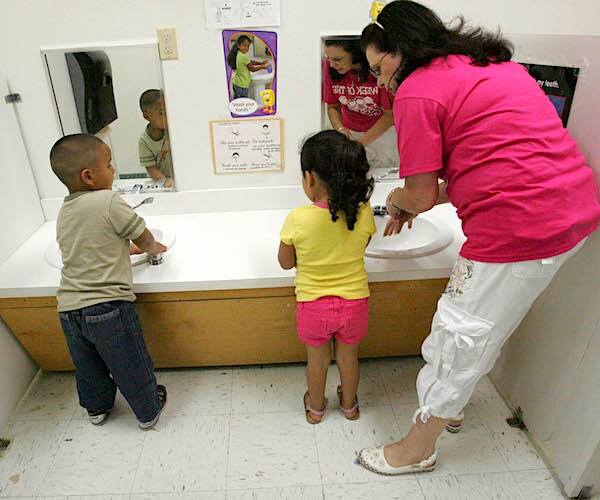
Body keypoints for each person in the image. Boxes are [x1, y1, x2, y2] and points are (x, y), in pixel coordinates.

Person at [357, 0, 600, 475]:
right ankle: (452, 407)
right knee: (479, 328)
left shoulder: (417, 93)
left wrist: (404, 200)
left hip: (520, 227)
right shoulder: (490, 65)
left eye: (380, 67)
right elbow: (489, 163)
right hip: (570, 210)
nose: (382, 82)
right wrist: (418, 197)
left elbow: (422, 194)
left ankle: (416, 449)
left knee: (457, 336)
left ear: (403, 46)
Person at [50, 134, 169, 430]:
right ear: (89, 176)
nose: (114, 170)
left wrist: (126, 250)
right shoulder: (108, 199)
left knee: (89, 368)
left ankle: (97, 409)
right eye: (109, 164)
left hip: (69, 310)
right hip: (108, 309)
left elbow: (92, 245)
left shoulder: (65, 210)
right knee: (131, 365)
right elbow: (141, 233)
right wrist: (153, 249)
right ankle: (147, 412)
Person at [278, 130, 376, 424]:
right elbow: (362, 247)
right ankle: (349, 406)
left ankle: (316, 408)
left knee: (317, 360)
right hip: (355, 302)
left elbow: (285, 263)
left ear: (310, 178)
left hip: (313, 305)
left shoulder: (298, 218)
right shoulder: (364, 212)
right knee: (349, 358)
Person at [322, 38, 397, 171]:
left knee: (384, 173)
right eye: (329, 58)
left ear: (354, 53)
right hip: (351, 132)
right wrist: (341, 130)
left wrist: (361, 143)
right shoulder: (330, 68)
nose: (333, 64)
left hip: (383, 132)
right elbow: (333, 106)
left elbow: (390, 115)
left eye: (337, 59)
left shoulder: (376, 70)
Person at [138, 89, 174, 188]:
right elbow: (151, 168)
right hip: (160, 180)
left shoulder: (173, 130)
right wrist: (165, 181)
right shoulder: (144, 141)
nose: (168, 117)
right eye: (162, 113)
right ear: (147, 117)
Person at [227, 35, 270, 99]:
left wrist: (261, 63)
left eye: (248, 46)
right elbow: (252, 69)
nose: (246, 48)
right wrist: (263, 67)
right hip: (242, 86)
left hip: (236, 83)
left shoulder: (239, 53)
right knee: (243, 103)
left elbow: (249, 62)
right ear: (238, 46)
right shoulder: (243, 56)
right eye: (244, 45)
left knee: (237, 102)